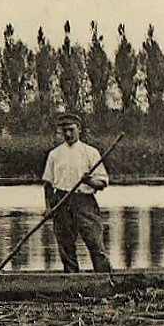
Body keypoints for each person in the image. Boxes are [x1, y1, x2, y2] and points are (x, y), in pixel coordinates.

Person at [41, 111, 112, 272]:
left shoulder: (91, 152)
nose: (67, 134)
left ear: (79, 129)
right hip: (61, 201)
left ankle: (105, 278)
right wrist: (48, 207)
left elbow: (102, 182)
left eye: (71, 130)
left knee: (95, 241)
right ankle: (71, 280)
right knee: (65, 245)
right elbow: (47, 184)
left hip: (84, 202)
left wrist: (89, 181)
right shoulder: (54, 154)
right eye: (64, 130)